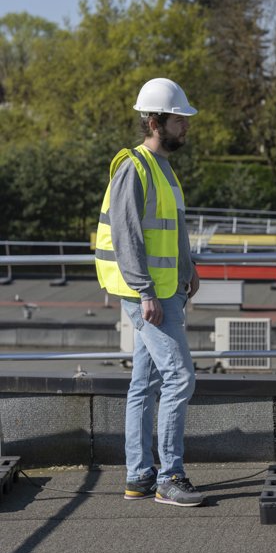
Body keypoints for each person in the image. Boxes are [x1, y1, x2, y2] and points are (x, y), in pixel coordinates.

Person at [95, 78, 204, 507]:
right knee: (179, 377)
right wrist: (145, 293)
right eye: (179, 119)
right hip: (149, 295)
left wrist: (188, 267)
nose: (186, 126)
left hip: (164, 290)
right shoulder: (134, 167)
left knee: (144, 383)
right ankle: (169, 477)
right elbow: (127, 236)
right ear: (155, 122)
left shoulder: (163, 168)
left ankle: (139, 476)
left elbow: (171, 228)